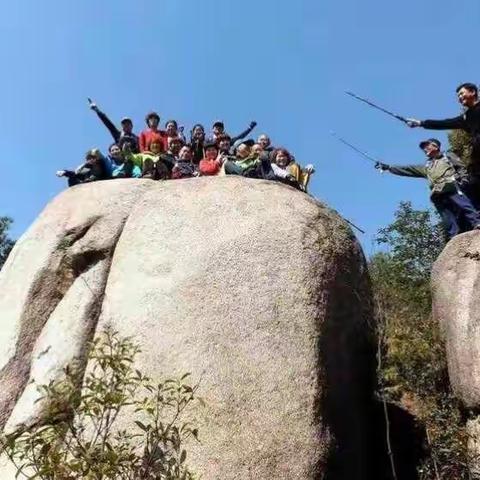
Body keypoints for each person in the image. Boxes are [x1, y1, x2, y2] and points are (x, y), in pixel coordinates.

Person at [375, 138, 480, 240]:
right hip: (437, 192)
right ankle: (454, 235)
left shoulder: (446, 156)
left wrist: (464, 180)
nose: (425, 149)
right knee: (446, 216)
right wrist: (389, 167)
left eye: (427, 146)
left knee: (464, 205)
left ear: (435, 146)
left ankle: (477, 222)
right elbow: (409, 170)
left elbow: (460, 167)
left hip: (451, 185)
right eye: (424, 148)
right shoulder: (427, 166)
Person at [407, 83, 480, 194]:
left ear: (473, 92)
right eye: (458, 96)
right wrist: (420, 123)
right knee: (472, 186)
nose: (460, 98)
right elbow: (445, 123)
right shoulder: (466, 117)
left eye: (462, 93)